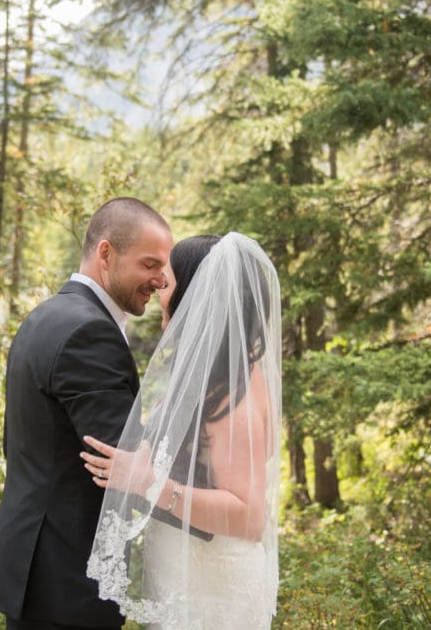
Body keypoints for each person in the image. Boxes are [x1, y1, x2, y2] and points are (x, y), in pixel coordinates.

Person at [0, 197, 173, 630]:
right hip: (68, 584)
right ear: (106, 254)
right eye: (149, 264)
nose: (161, 280)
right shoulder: (91, 333)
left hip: (38, 573)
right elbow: (121, 468)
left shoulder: (45, 316)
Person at [81, 233, 282, 629]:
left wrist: (150, 483)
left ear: (194, 294)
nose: (158, 288)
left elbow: (248, 516)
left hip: (211, 590)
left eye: (167, 281)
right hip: (182, 573)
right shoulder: (206, 377)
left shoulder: (234, 395)